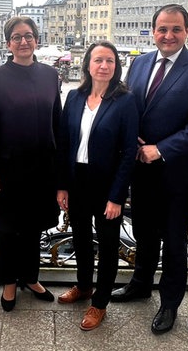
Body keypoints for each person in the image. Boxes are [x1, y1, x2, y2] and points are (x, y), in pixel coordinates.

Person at [112, 4, 188, 335]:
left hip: (177, 173)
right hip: (140, 170)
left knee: (174, 241)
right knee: (144, 234)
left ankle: (170, 302)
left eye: (175, 29)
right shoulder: (140, 62)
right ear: (153, 31)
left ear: (187, 31)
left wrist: (160, 149)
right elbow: (129, 107)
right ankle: (140, 284)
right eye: (162, 29)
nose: (168, 35)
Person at [0, 16, 61, 311]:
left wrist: (60, 172)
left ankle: (30, 276)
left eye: (28, 36)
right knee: (8, 228)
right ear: (8, 43)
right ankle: (10, 282)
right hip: (7, 168)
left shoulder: (50, 75)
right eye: (17, 37)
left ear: (36, 39)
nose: (23, 41)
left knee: (34, 227)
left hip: (42, 167)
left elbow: (57, 122)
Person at [56, 41, 138, 330]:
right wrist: (62, 185)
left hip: (107, 184)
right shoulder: (75, 97)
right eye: (98, 60)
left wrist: (117, 197)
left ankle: (100, 302)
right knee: (79, 237)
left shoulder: (125, 100)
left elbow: (129, 153)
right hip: (77, 179)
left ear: (116, 66)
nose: (104, 66)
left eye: (110, 61)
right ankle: (83, 286)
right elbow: (65, 143)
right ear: (87, 65)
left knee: (107, 243)